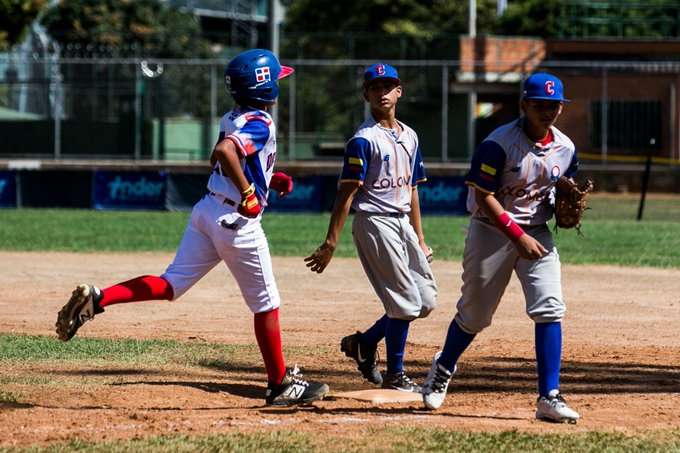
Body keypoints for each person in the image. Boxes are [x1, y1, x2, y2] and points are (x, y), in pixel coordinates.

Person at [55, 48, 329, 407]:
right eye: (277, 79)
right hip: (236, 223)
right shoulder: (261, 122)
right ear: (266, 89)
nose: (280, 83)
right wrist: (249, 192)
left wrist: (267, 178)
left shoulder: (233, 116)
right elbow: (225, 153)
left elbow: (226, 155)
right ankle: (279, 384)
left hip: (207, 211)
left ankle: (99, 297)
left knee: (171, 284)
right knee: (267, 304)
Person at [421, 72, 580, 423]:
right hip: (491, 230)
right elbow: (484, 195)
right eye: (540, 104)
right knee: (476, 315)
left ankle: (549, 396)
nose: (548, 111)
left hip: (537, 232)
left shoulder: (566, 147)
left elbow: (563, 185)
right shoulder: (498, 143)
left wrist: (563, 205)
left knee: (550, 307)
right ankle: (444, 366)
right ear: (524, 105)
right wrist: (516, 236)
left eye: (554, 105)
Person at [304, 63, 437, 393]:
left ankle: (364, 343)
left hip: (402, 224)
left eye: (388, 86)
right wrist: (330, 243)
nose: (382, 92)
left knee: (425, 300)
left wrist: (420, 238)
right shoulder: (362, 141)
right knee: (405, 303)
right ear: (366, 94)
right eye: (375, 87)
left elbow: (413, 189)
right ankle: (396, 373)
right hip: (374, 223)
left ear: (399, 91)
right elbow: (345, 194)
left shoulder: (411, 136)